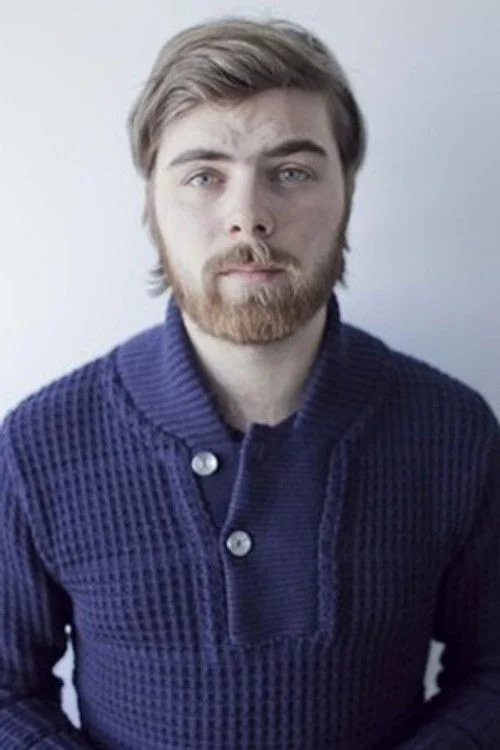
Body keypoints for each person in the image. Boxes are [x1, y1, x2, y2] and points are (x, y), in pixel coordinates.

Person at [1, 15, 499, 750]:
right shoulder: (40, 444)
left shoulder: (454, 431)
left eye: (291, 172)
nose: (249, 218)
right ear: (151, 204)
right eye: (204, 176)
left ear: (348, 191)